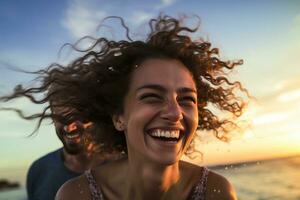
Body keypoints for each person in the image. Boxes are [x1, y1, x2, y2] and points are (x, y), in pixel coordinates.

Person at [1, 15, 247, 199]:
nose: (174, 113)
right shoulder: (76, 195)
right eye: (151, 96)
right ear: (119, 117)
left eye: (186, 99)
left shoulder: (216, 192)